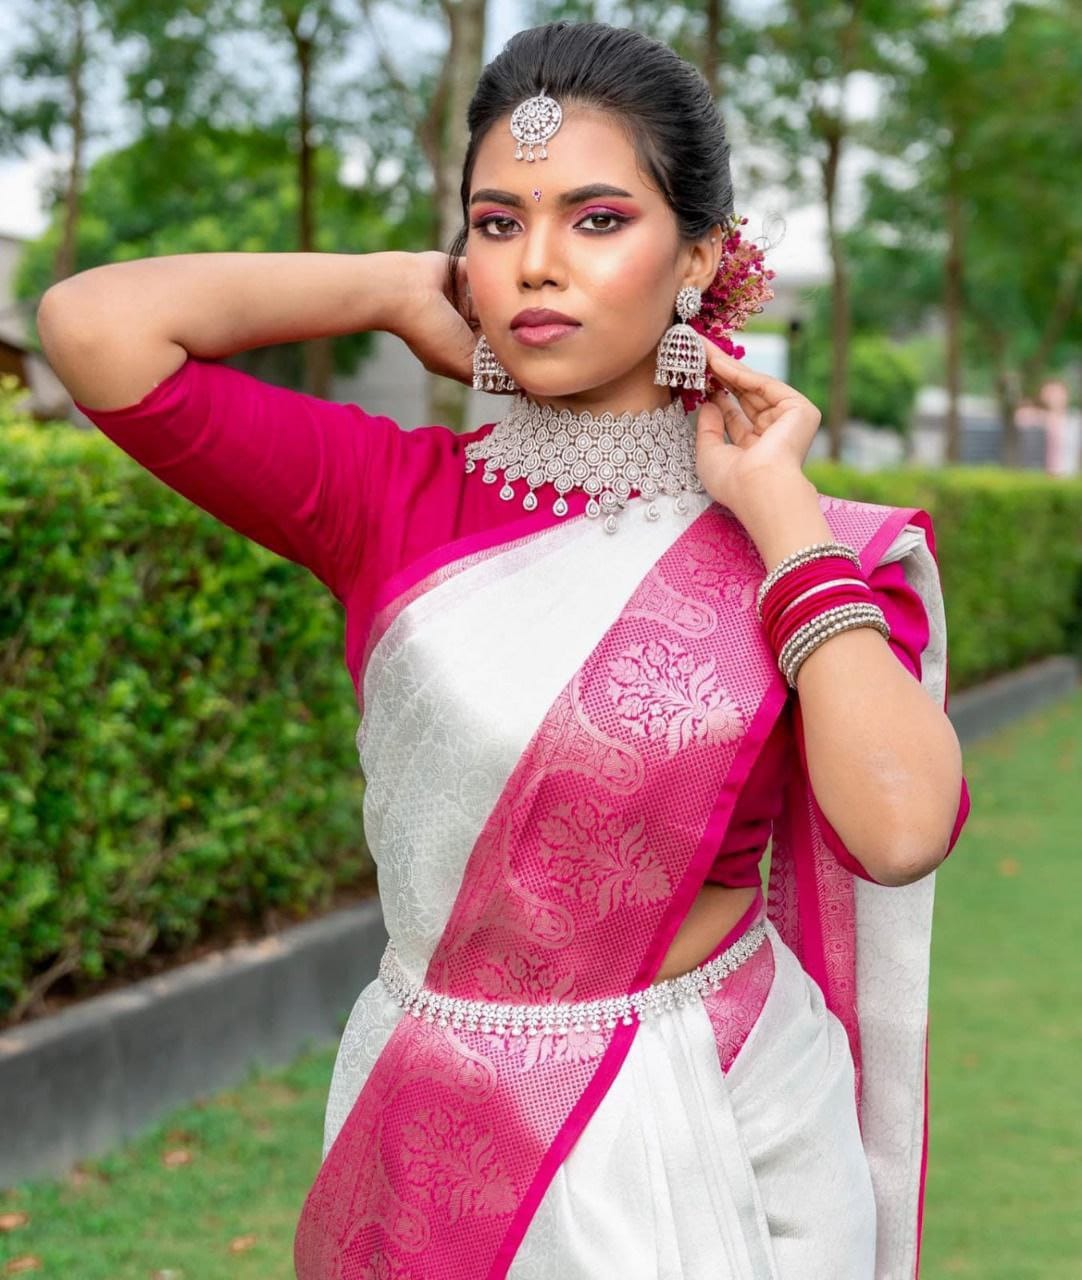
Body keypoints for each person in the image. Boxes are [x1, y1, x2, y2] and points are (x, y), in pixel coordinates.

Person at [38, 20, 970, 1280]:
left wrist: (780, 516)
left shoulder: (796, 540)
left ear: (696, 256)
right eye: (495, 222)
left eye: (595, 219)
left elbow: (902, 826)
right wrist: (376, 287)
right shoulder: (386, 495)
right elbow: (93, 326)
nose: (536, 264)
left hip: (723, 1109)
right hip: (438, 1113)